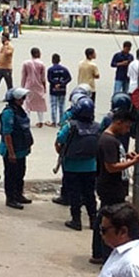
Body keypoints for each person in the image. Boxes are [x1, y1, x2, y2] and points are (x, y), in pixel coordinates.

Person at [91, 110, 139, 264]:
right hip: (110, 187)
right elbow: (111, 166)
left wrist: (127, 157)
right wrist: (134, 162)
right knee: (111, 221)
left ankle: (98, 253)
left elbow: (114, 159)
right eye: (127, 127)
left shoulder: (113, 140)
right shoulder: (108, 141)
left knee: (103, 217)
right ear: (118, 122)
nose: (127, 130)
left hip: (113, 186)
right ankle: (105, 255)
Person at [55, 96, 99, 231]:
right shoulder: (97, 126)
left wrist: (61, 154)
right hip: (91, 166)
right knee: (89, 194)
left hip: (71, 166)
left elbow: (59, 140)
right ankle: (93, 220)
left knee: (75, 194)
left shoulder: (70, 126)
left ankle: (76, 221)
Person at [0, 87, 34, 210]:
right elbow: (7, 134)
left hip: (21, 149)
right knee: (11, 175)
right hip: (12, 150)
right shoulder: (8, 113)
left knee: (20, 173)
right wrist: (11, 153)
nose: (23, 100)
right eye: (21, 98)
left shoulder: (20, 111)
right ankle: (11, 198)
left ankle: (19, 195)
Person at [21, 47, 48, 128]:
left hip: (28, 85)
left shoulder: (26, 63)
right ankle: (40, 121)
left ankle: (27, 121)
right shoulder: (41, 64)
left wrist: (22, 86)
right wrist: (44, 86)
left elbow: (23, 76)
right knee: (40, 103)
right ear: (37, 54)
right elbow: (43, 77)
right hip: (38, 85)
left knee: (28, 103)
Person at [47, 53, 71, 126]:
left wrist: (55, 84)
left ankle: (54, 121)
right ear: (59, 60)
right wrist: (62, 84)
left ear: (52, 60)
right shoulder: (64, 69)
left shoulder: (50, 69)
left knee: (54, 106)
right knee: (61, 106)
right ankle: (61, 121)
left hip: (53, 90)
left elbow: (49, 79)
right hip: (62, 90)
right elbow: (69, 78)